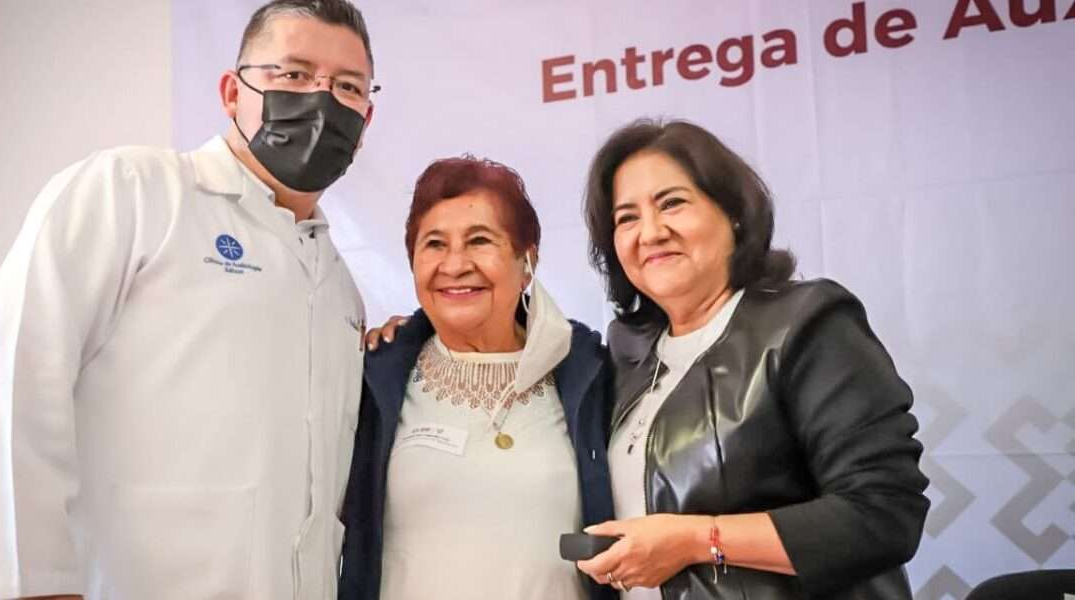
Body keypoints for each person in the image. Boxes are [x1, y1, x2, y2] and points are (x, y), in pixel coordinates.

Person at [0, 2, 376, 598]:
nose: (322, 99)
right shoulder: (132, 192)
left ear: (366, 119)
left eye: (347, 86)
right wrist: (30, 587)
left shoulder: (340, 288)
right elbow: (7, 382)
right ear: (233, 92)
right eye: (294, 73)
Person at [575, 119, 930, 599]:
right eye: (627, 218)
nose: (651, 232)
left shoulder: (807, 323)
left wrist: (696, 541)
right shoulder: (624, 355)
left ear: (734, 214)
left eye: (672, 203)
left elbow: (884, 512)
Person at [339, 157, 617, 600]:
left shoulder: (591, 376)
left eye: (480, 240)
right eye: (434, 244)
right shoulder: (373, 378)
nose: (454, 264)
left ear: (527, 262)